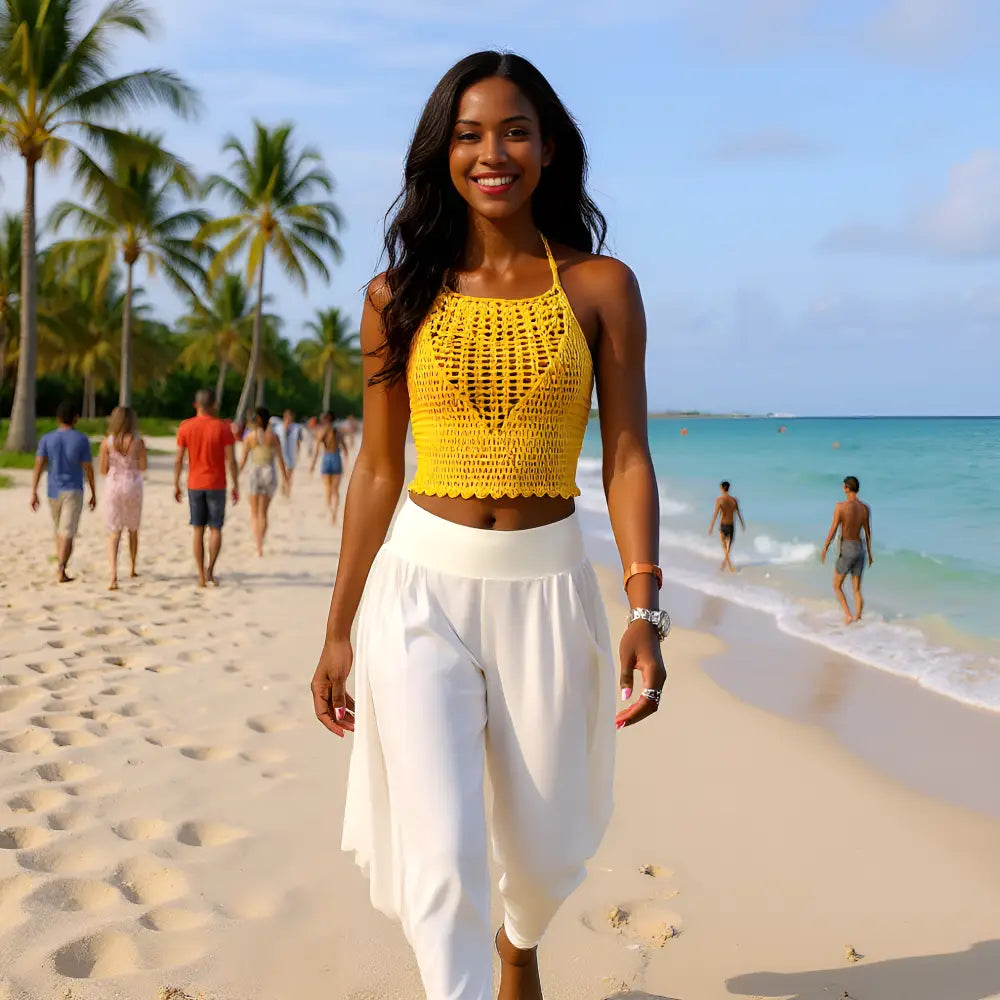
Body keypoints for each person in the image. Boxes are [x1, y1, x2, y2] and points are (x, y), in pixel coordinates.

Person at [310, 52, 668, 1000]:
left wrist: (645, 606)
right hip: (420, 588)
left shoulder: (600, 288)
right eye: (469, 135)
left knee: (543, 858)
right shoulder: (398, 297)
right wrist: (339, 627)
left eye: (515, 130)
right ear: (444, 154)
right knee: (441, 855)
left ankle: (519, 945)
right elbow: (380, 470)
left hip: (549, 588)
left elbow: (627, 456)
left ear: (549, 148)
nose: (493, 153)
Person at [173, 389, 239, 587]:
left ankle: (201, 576)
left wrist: (176, 483)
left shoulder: (185, 427)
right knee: (216, 528)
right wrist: (236, 484)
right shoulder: (223, 428)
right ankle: (211, 569)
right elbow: (231, 460)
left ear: (196, 405)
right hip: (217, 483)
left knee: (197, 530)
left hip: (194, 483)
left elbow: (178, 460)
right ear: (214, 405)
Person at [30, 400, 96, 583]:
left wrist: (34, 491)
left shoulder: (47, 438)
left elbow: (38, 465)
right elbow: (88, 468)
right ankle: (61, 568)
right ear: (76, 418)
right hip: (73, 490)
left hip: (53, 491)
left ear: (58, 419)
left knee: (60, 530)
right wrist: (94, 492)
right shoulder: (81, 439)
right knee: (67, 531)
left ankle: (61, 564)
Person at [99, 406, 147, 590]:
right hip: (133, 485)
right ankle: (133, 567)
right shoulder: (137, 441)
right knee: (133, 529)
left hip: (113, 485)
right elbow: (143, 466)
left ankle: (113, 575)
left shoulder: (107, 442)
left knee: (114, 532)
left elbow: (103, 469)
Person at [821, 475, 873, 625]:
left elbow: (833, 529)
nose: (843, 488)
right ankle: (858, 618)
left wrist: (825, 547)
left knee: (836, 585)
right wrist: (869, 553)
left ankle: (848, 615)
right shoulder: (865, 508)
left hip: (848, 548)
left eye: (843, 486)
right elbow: (868, 533)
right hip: (860, 548)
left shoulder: (840, 507)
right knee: (856, 589)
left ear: (847, 488)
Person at [238, 406, 288, 557]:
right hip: (269, 472)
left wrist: (235, 476)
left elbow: (243, 460)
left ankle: (257, 543)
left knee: (254, 512)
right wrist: (286, 479)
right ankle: (261, 544)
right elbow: (280, 460)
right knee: (263, 513)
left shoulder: (249, 437)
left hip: (254, 472)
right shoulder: (273, 437)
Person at [310, 411, 349, 523]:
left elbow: (317, 449)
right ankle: (333, 513)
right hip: (335, 458)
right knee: (333, 490)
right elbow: (345, 449)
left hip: (329, 458)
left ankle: (332, 511)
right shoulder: (337, 432)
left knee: (329, 489)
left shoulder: (324, 431)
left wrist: (313, 464)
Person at [708, 480, 745, 573]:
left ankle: (729, 565)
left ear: (721, 488)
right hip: (731, 526)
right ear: (729, 488)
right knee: (728, 549)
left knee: (725, 548)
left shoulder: (719, 500)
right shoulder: (734, 500)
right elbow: (739, 513)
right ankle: (725, 563)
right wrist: (742, 524)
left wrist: (711, 527)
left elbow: (715, 514)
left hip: (723, 525)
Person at [274, 409, 305, 496]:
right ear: (284, 417)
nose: (289, 419)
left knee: (290, 474)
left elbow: (299, 441)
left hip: (291, 454)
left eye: (290, 417)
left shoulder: (296, 428)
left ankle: (287, 490)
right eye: (287, 417)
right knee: (283, 473)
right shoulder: (278, 428)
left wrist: (298, 453)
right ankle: (284, 486)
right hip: (281, 454)